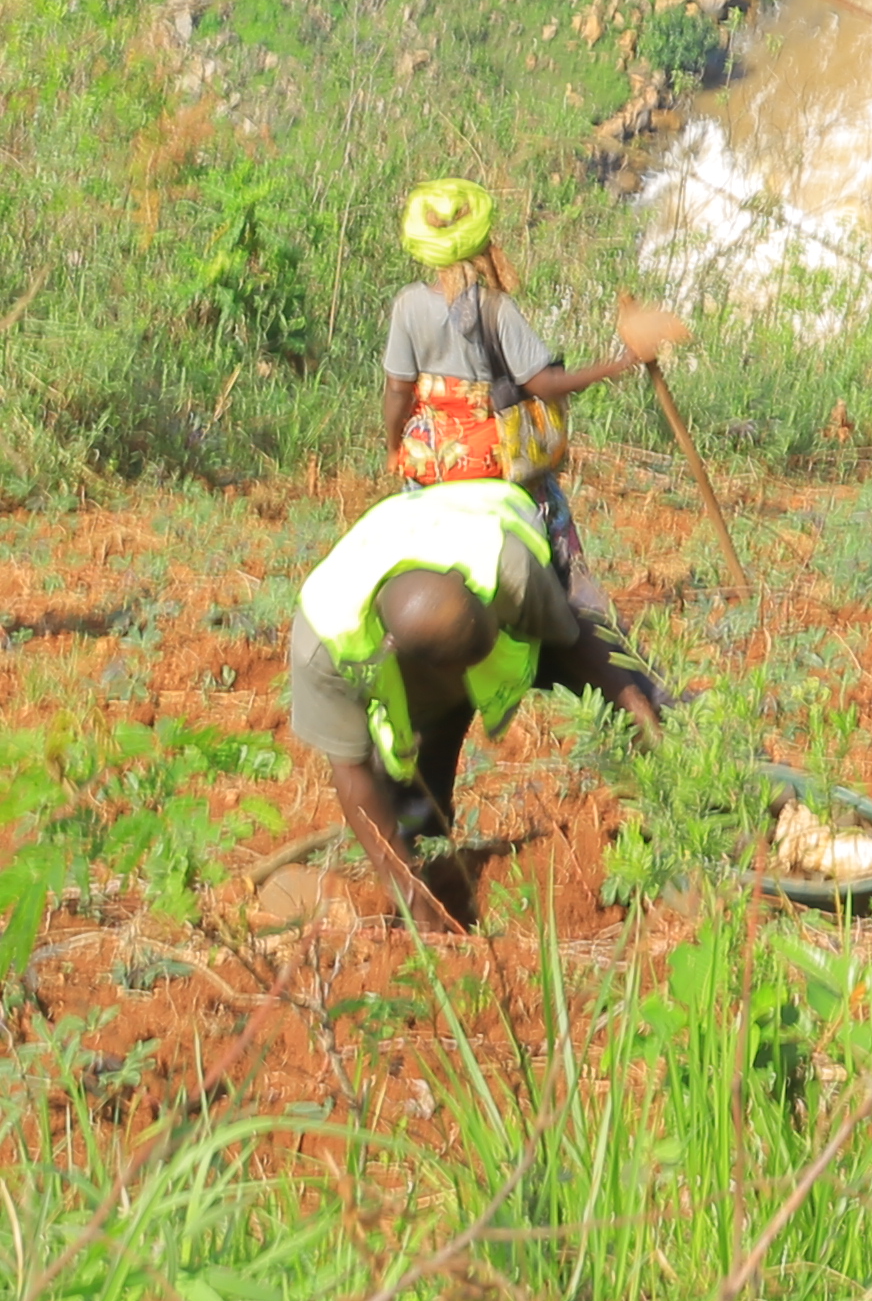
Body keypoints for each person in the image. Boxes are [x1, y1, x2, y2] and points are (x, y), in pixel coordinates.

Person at [287, 477, 668, 929]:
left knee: (646, 694)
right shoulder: (323, 642)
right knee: (410, 812)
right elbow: (349, 773)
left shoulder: (509, 568)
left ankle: (704, 818)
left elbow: (575, 638)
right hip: (409, 653)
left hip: (491, 541)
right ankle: (434, 889)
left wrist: (645, 717)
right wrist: (415, 902)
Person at [379, 181, 680, 618]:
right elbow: (545, 386)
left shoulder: (407, 305)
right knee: (557, 532)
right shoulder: (496, 309)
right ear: (483, 243)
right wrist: (619, 363)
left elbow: (397, 391)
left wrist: (394, 449)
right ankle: (581, 610)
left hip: (431, 463)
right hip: (497, 462)